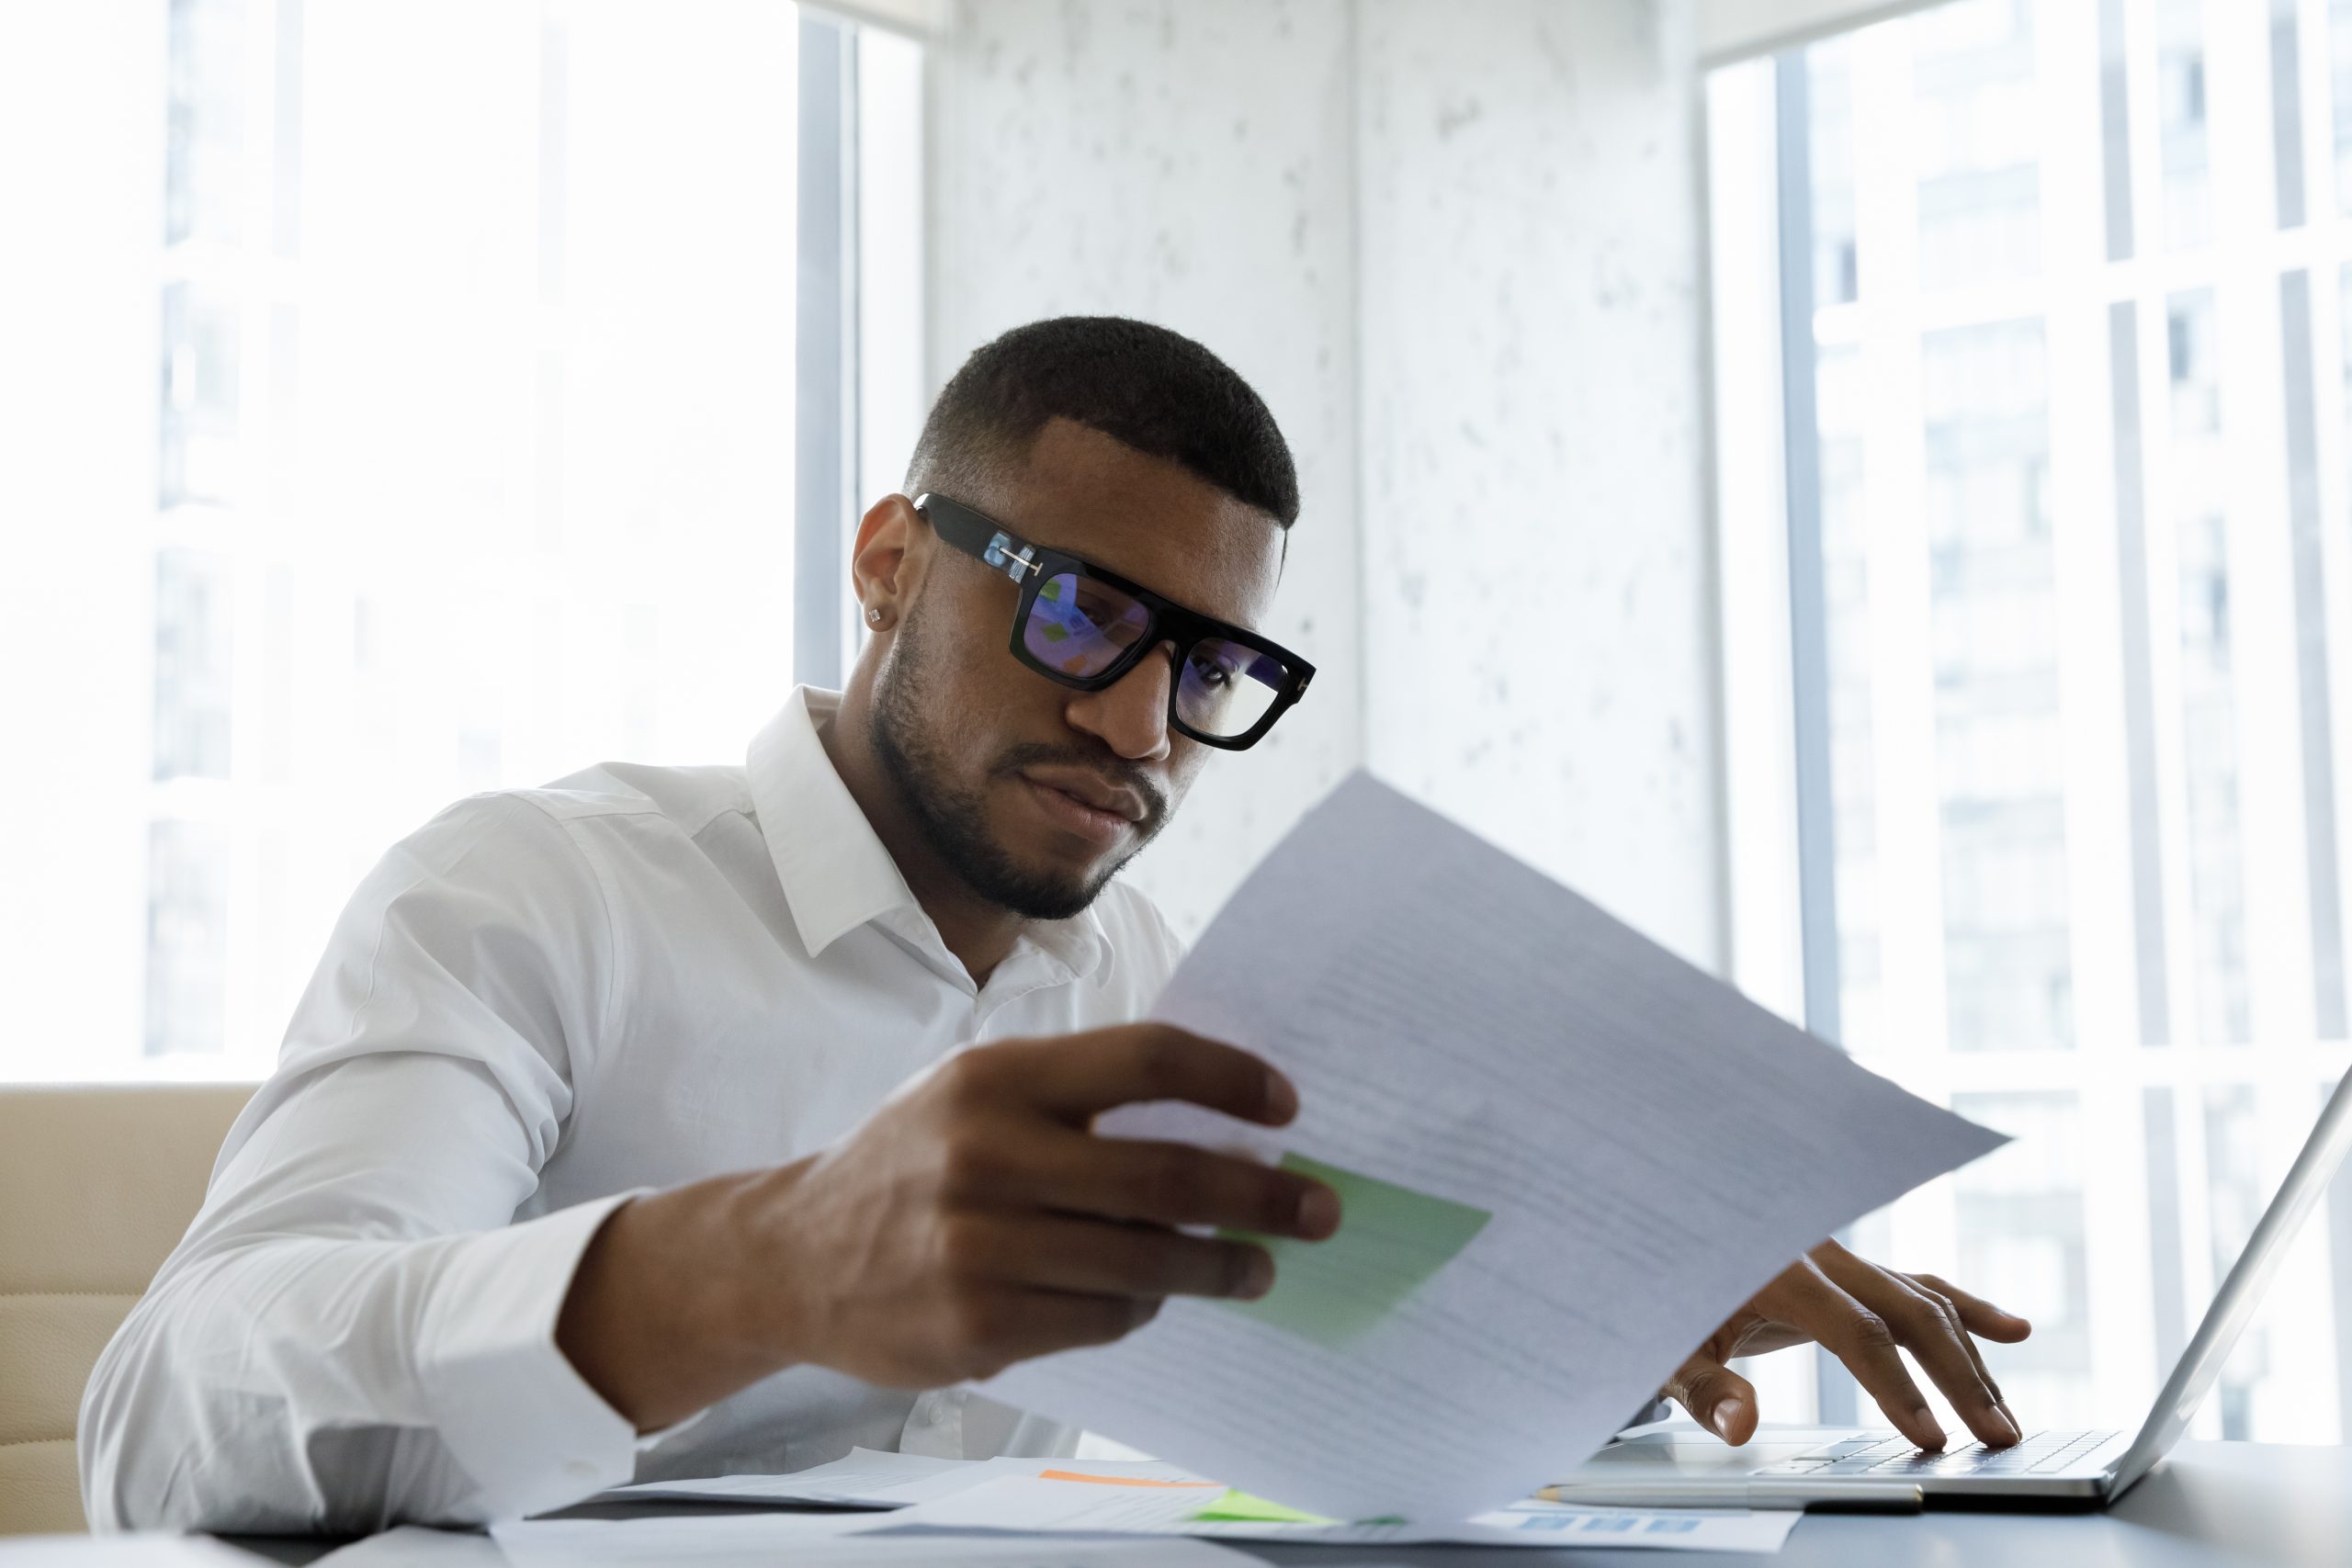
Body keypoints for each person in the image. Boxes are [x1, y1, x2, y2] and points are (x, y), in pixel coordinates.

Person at [79, 317, 2030, 1534]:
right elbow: (164, 1422)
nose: (1136, 724)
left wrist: (1608, 1312)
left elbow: (1306, 1367)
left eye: (1209, 667)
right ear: (886, 563)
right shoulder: (530, 893)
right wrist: (761, 1262)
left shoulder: (1154, 979)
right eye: (1083, 613)